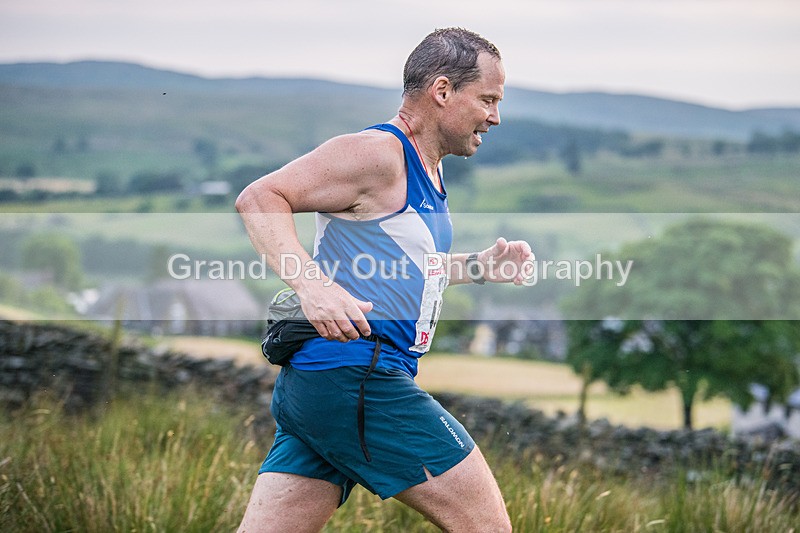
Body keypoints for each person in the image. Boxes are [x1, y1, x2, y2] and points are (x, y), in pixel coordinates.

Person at [235, 27, 533, 532]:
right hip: (357, 377)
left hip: (325, 385)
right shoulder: (377, 154)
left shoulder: (426, 172)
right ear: (442, 92)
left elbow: (398, 270)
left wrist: (478, 268)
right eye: (487, 99)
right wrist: (312, 285)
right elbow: (260, 198)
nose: (495, 116)